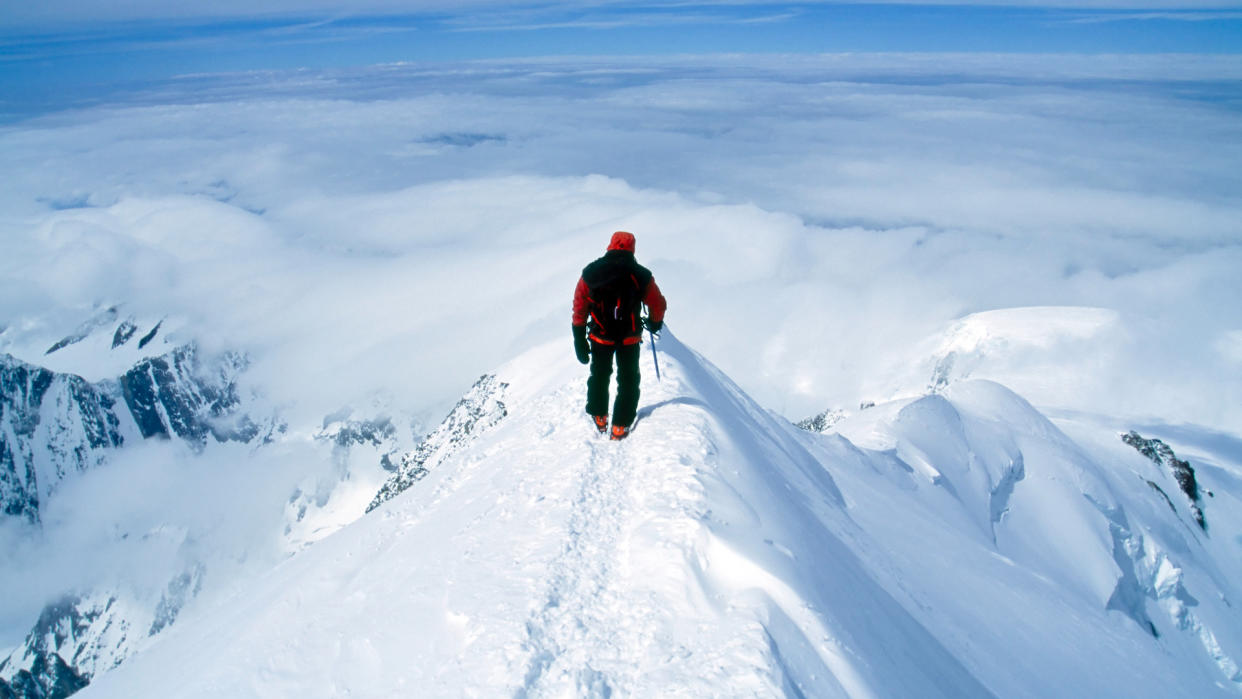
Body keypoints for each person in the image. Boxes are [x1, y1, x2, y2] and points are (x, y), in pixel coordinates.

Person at [572, 231, 667, 440]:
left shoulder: (590, 272)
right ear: (633, 249)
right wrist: (654, 322)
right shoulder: (642, 275)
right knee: (629, 380)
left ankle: (599, 416)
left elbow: (580, 306)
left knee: (599, 375)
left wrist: (579, 338)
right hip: (629, 338)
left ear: (610, 245)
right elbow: (658, 304)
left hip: (600, 336)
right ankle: (620, 426)